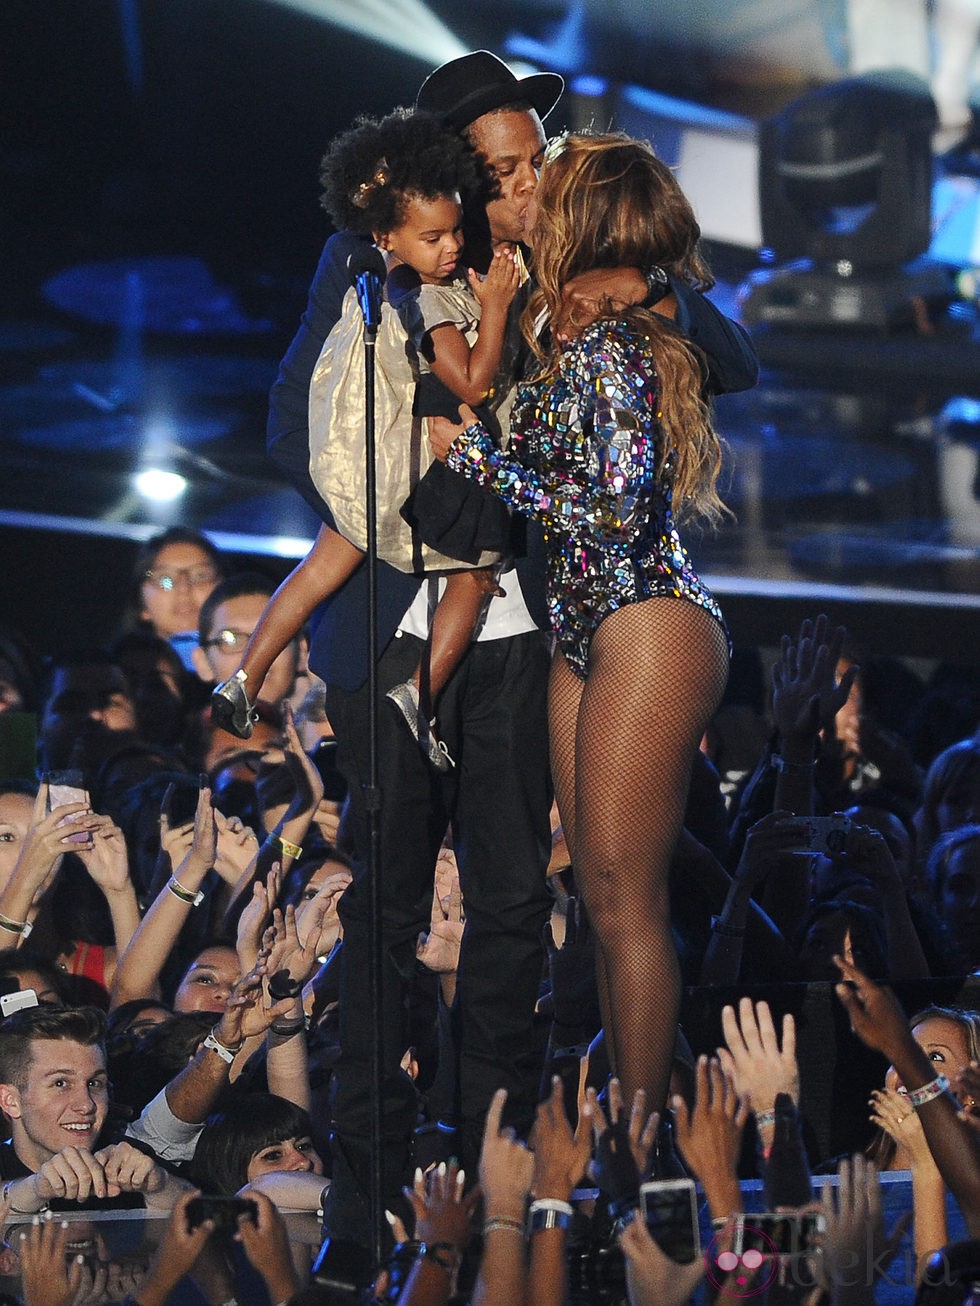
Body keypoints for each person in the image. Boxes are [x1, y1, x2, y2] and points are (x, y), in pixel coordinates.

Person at [266, 49, 758, 1252]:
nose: (520, 185)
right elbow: (299, 433)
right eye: (496, 172)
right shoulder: (375, 267)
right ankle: (371, 1195)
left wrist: (622, 286)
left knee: (526, 911)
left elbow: (724, 360)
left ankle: (523, 1176)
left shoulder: (584, 282)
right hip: (419, 614)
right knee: (398, 916)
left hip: (553, 620)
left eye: (532, 162)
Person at [432, 129, 732, 1115]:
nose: (531, 192)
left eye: (547, 180)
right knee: (598, 906)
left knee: (622, 900)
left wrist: (476, 457)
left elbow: (608, 509)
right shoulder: (578, 317)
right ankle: (634, 1119)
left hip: (642, 614)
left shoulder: (621, 329)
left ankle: (639, 1154)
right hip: (580, 625)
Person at [212, 108, 520, 771]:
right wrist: (493, 307)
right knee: (476, 568)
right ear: (387, 236)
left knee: (323, 565)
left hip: (372, 465)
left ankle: (244, 675)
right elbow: (470, 381)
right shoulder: (420, 295)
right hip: (405, 467)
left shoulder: (395, 279)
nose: (449, 247)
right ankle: (421, 691)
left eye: (452, 232)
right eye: (433, 236)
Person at [0, 1005, 188, 1216]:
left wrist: (161, 1187)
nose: (86, 1105)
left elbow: (207, 1213)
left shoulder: (129, 1159)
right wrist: (36, 1189)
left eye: (94, 1083)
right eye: (61, 1083)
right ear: (10, 1101)